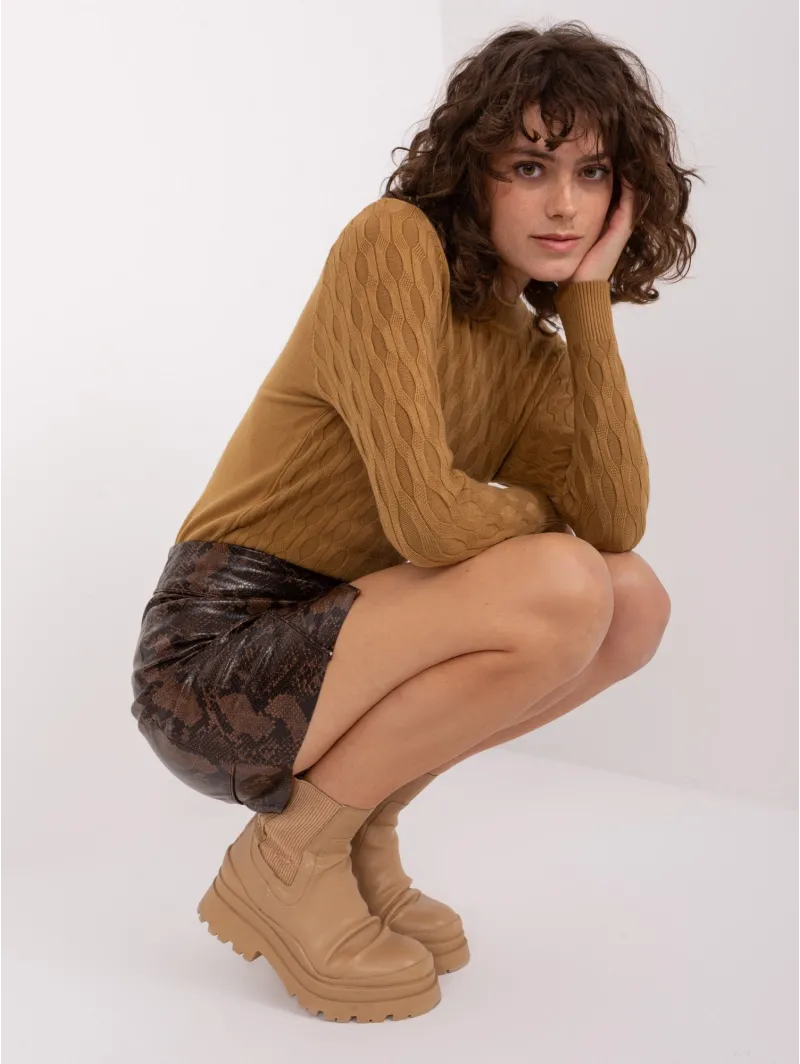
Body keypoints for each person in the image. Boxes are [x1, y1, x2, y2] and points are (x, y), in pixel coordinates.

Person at [131, 19, 695, 1022]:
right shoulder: (392, 245)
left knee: (630, 601)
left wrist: (589, 304)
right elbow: (431, 522)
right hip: (217, 662)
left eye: (592, 173)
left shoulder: (531, 353)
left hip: (348, 643)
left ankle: (357, 832)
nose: (564, 204)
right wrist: (535, 516)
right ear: (473, 172)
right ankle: (289, 857)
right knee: (561, 579)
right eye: (529, 166)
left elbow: (615, 524)